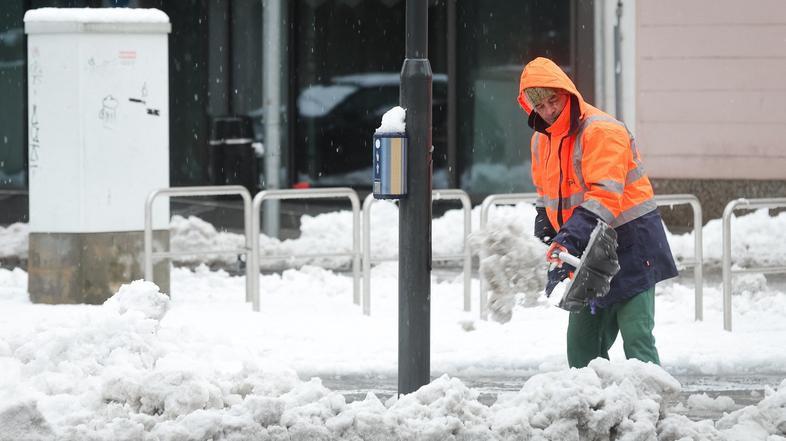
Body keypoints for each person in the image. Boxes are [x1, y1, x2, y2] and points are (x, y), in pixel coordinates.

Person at [517, 57, 679, 369]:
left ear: (567, 93)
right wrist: (545, 219)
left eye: (554, 100)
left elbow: (605, 195)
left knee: (637, 337)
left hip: (630, 242)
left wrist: (569, 236)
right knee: (581, 347)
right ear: (530, 107)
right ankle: (594, 410)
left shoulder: (601, 130)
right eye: (541, 106)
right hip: (584, 250)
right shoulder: (541, 141)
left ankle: (652, 409)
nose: (549, 111)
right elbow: (546, 189)